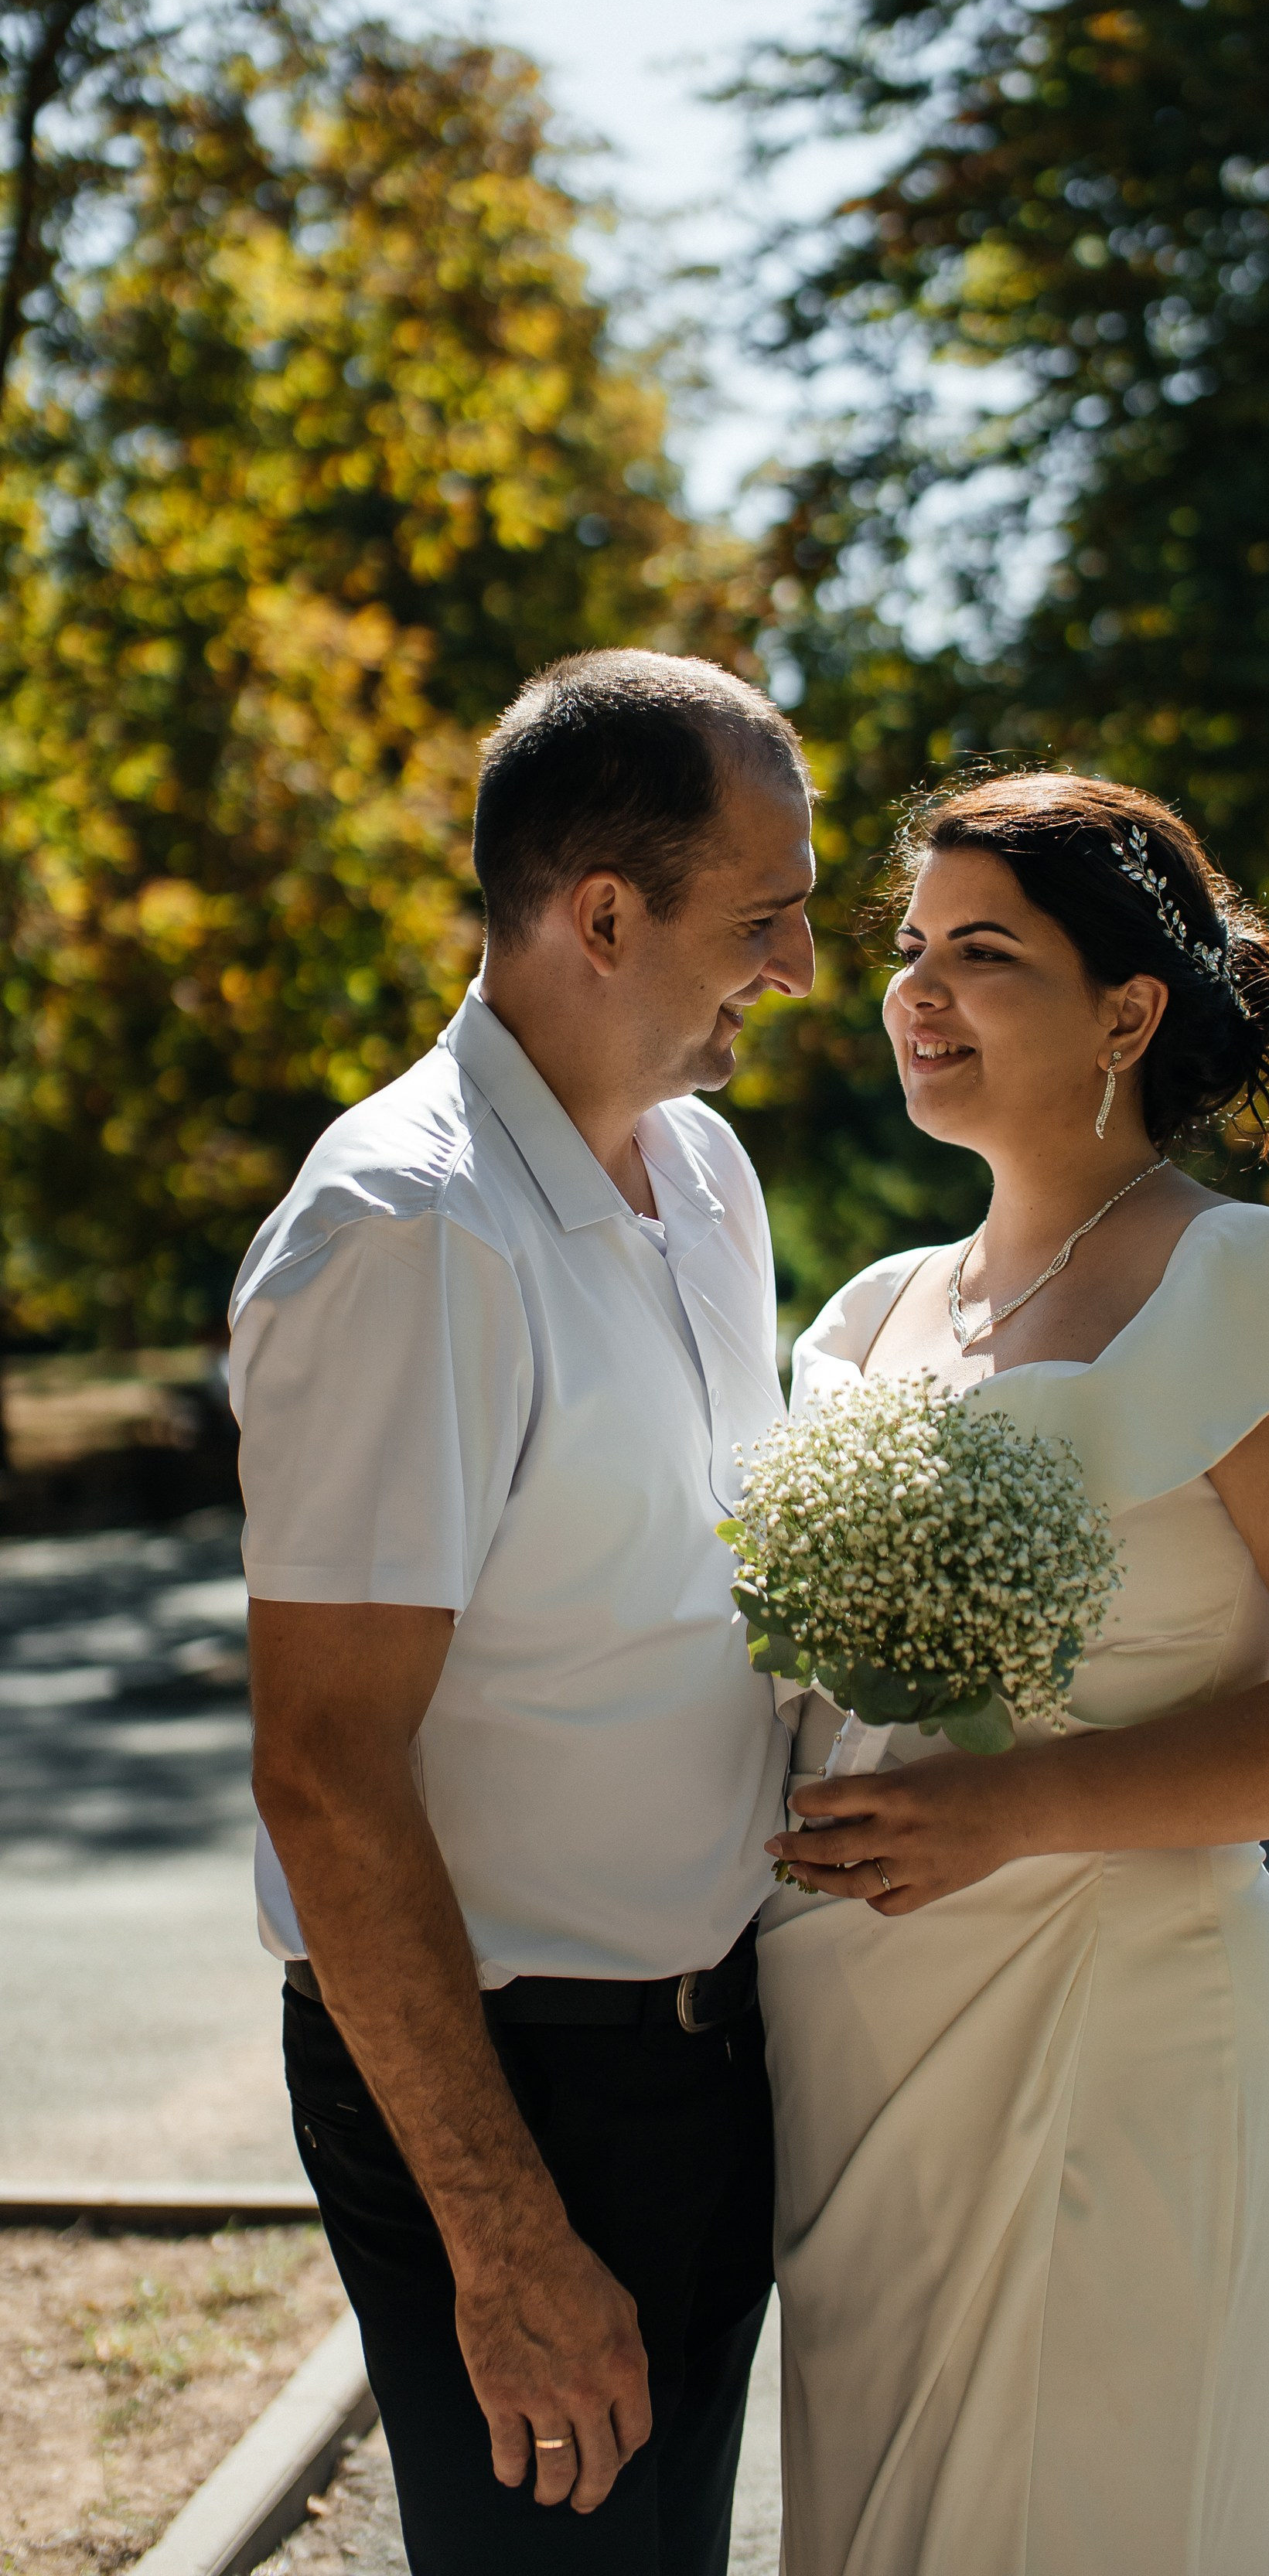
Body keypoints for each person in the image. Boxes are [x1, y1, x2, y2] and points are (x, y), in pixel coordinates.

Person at [759, 772, 1269, 2576]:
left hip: (1123, 2025)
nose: (918, 991)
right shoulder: (871, 1314)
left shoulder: (1260, 1294)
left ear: (1129, 1012)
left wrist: (1019, 1808)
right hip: (861, 2043)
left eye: (983, 953)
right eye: (911, 948)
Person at [232, 649, 815, 2574]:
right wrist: (503, 2235)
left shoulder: (709, 1175)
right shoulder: (409, 1234)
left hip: (712, 2052)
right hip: (516, 2093)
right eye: (767, 917)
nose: (803, 968)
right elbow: (325, 1774)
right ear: (602, 914)